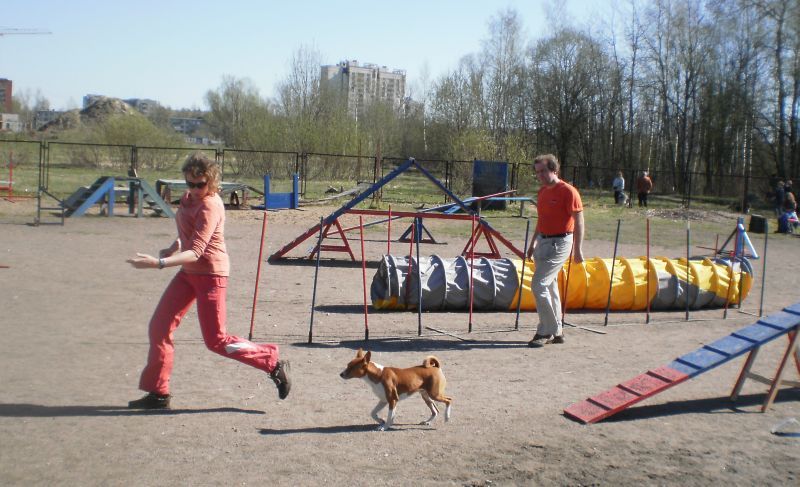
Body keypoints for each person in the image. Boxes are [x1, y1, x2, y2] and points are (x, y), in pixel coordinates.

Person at [126, 153, 290, 409]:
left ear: (211, 181)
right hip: (188, 273)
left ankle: (271, 360)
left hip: (212, 274)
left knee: (216, 340)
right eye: (189, 183)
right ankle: (159, 393)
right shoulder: (189, 199)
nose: (193, 189)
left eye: (199, 184)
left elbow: (197, 250)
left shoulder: (210, 206)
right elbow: (188, 234)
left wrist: (159, 263)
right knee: (159, 327)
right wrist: (174, 246)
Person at [526, 154, 585, 347]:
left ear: (554, 169)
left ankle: (545, 330)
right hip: (543, 242)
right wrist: (533, 243)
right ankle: (557, 331)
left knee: (538, 284)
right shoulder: (542, 192)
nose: (540, 176)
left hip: (561, 243)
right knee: (550, 286)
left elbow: (579, 221)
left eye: (543, 171)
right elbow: (541, 220)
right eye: (537, 172)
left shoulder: (568, 192)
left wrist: (578, 250)